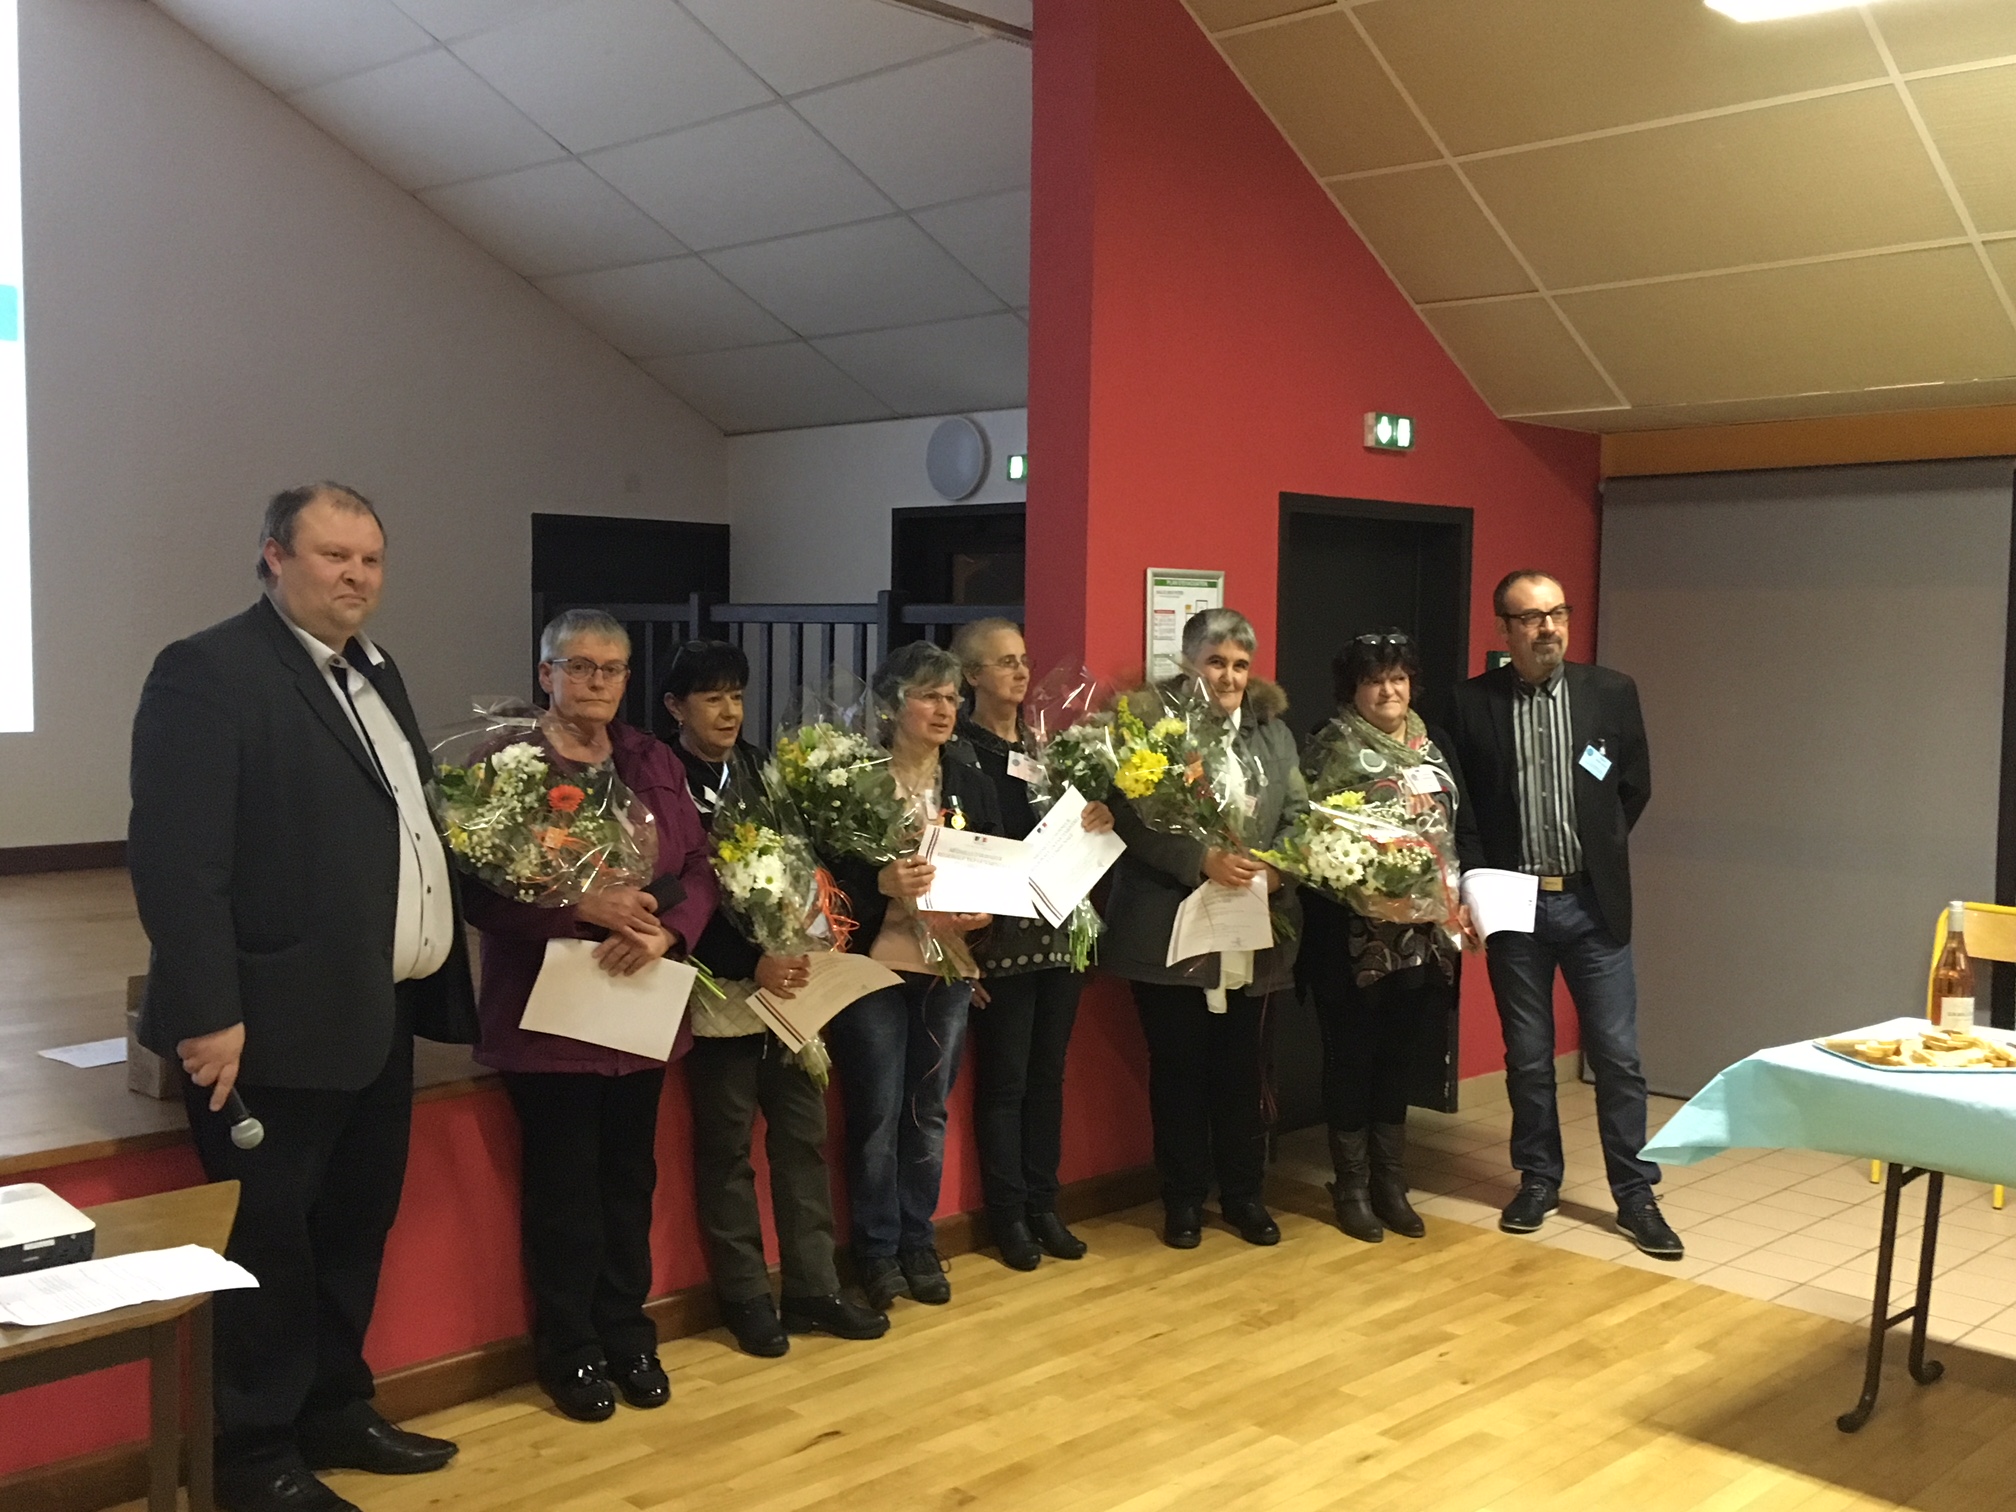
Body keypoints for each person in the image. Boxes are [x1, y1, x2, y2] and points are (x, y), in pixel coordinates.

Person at [130, 483, 476, 1512]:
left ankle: (334, 1407)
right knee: (267, 1246)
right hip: (269, 1025)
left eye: (371, 559)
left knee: (354, 1226)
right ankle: (253, 1455)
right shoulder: (207, 672)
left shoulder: (376, 671)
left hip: (376, 1009)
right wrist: (206, 1012)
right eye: (334, 556)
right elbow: (179, 862)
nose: (356, 576)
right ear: (275, 557)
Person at [464, 610, 718, 1422]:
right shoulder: (506, 765)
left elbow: (699, 866)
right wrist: (579, 908)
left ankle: (628, 1335)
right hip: (550, 1018)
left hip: (640, 1006)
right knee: (565, 1192)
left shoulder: (651, 760)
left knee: (629, 1182)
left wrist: (669, 929)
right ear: (546, 674)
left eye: (611, 669)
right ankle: (569, 1348)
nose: (596, 682)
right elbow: (479, 892)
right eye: (578, 667)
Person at [1443, 570, 1681, 1260]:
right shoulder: (1470, 704)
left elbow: (1632, 786)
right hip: (1514, 905)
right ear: (1504, 629)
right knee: (1528, 1056)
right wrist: (1473, 886)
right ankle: (1539, 1180)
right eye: (1531, 618)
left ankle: (1634, 1195)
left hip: (1591, 903)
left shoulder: (1610, 692)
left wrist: (1597, 851)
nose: (1547, 628)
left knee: (1618, 1056)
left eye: (1557, 614)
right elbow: (1464, 809)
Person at [661, 640, 889, 1357]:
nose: (728, 711)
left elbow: (802, 863)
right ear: (675, 707)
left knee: (802, 1137)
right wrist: (747, 959)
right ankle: (745, 1296)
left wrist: (816, 930)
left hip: (791, 982)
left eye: (736, 695)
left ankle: (814, 1287)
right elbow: (679, 892)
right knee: (728, 1149)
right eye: (711, 698)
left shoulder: (762, 769)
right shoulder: (663, 779)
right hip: (719, 987)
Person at [1103, 608, 1305, 1251]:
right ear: (1189, 664)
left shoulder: (1274, 733)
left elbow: (1299, 814)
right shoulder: (1148, 730)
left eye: (1240, 665)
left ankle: (1245, 1195)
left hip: (1253, 925)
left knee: (1243, 1071)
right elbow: (1127, 819)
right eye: (1216, 662)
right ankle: (1183, 1198)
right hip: (1170, 928)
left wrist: (1278, 867)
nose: (1229, 676)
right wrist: (1199, 859)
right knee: (1180, 1070)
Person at [820, 640, 1003, 1311]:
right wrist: (878, 881)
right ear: (894, 704)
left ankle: (918, 1241)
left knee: (928, 1110)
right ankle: (875, 1250)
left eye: (952, 697)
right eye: (930, 696)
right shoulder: (853, 779)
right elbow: (825, 874)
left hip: (946, 967)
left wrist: (986, 912)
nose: (945, 709)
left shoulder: (969, 779)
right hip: (875, 966)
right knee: (877, 1111)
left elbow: (997, 863)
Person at [952, 618, 1114, 1271]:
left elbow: (1073, 828)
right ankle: (1009, 1215)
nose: (1020, 672)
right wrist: (963, 955)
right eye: (1004, 662)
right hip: (999, 943)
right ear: (972, 676)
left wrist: (1097, 814)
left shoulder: (1050, 745)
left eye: (1023, 659)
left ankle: (1046, 1205)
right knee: (1005, 1084)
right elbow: (959, 850)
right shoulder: (959, 752)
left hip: (1059, 933)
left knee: (1048, 1077)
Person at [1297, 631, 1469, 1244]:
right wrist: (1368, 886)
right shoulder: (1329, 745)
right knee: (1352, 1058)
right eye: (1374, 680)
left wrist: (1453, 894)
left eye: (1398, 678)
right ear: (1353, 690)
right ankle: (1350, 1186)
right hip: (1352, 940)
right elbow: (1307, 837)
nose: (1388, 690)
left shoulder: (1433, 742)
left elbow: (1459, 827)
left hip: (1424, 938)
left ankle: (1391, 1184)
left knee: (1399, 1057)